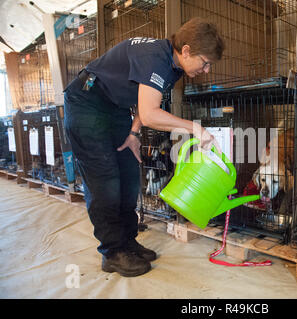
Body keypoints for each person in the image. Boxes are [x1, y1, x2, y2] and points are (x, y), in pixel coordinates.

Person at [63, 17, 225, 277]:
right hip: (86, 103)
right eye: (205, 62)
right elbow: (151, 114)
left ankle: (127, 240)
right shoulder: (155, 58)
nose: (206, 70)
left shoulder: (173, 67)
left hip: (114, 109)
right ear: (186, 51)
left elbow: (146, 103)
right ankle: (112, 252)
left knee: (128, 176)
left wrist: (133, 133)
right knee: (104, 180)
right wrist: (195, 128)